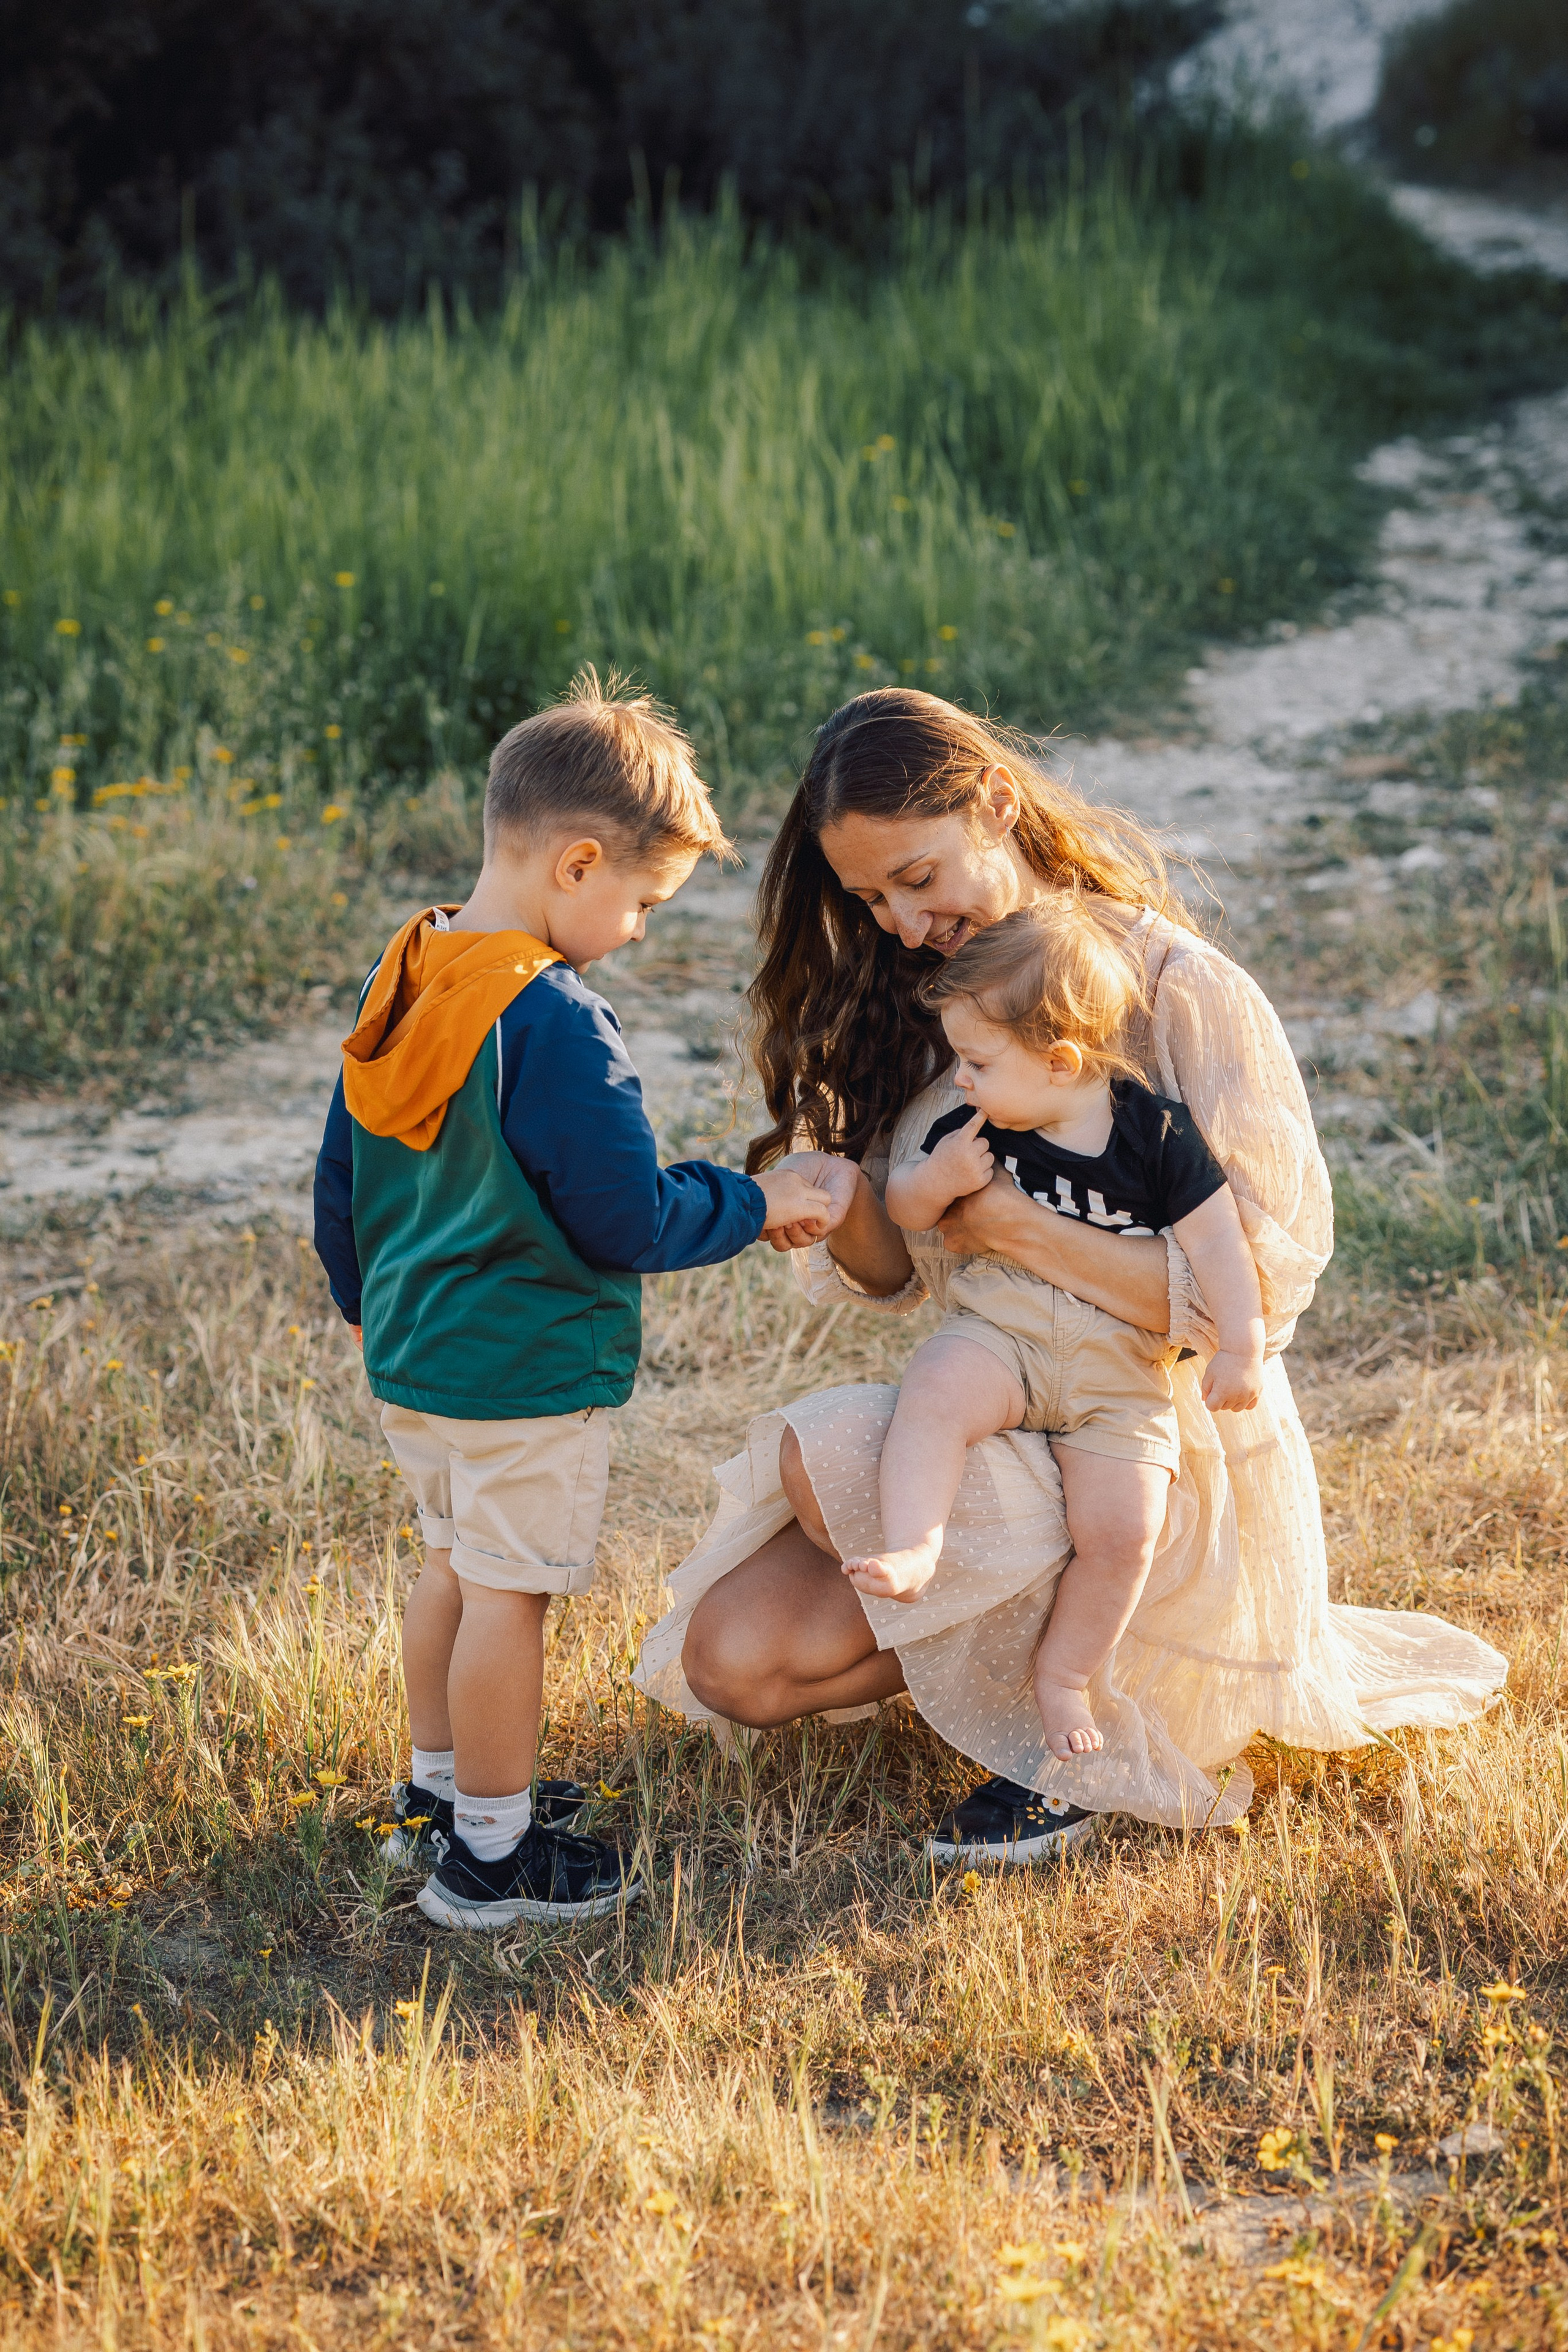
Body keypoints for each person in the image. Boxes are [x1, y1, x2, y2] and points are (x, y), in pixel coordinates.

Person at [633, 688, 1507, 1865]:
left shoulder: (1176, 988)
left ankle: (1086, 1702)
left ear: (997, 801)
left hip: (1148, 1430)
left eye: (919, 877)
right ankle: (1005, 1654)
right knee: (736, 1661)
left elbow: (1253, 1295)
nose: (903, 923)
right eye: (872, 899)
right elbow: (898, 1279)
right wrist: (845, 1202)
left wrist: (1014, 1227)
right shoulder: (932, 994)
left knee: (848, 1478)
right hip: (1008, 1393)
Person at [314, 673, 832, 1928]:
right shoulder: (550, 1019)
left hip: (415, 1358)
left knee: (451, 1567)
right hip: (521, 1368)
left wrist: (363, 1299)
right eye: (643, 902)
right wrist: (761, 1199)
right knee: (510, 1595)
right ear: (578, 863)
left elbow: (342, 1167)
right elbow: (625, 1218)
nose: (640, 930)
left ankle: (438, 1795)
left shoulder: (410, 963)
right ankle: (491, 1860)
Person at [847, 897, 1265, 1762]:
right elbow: (906, 1207)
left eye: (977, 1061)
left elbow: (1219, 1246)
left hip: (1121, 1370)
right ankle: (916, 1545)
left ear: (1060, 1060)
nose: (960, 1080)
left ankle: (1066, 1674)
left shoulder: (1157, 1135)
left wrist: (1241, 1345)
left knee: (1127, 1531)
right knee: (934, 1394)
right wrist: (937, 1178)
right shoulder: (977, 1129)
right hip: (1004, 1335)